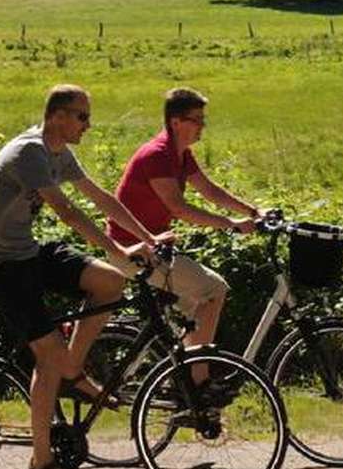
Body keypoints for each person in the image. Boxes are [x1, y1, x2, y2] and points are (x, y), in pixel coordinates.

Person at [0, 84, 161, 469]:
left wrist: (147, 238)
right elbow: (68, 211)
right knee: (49, 359)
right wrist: (117, 247)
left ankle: (71, 372)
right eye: (82, 116)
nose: (88, 125)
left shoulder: (59, 152)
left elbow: (98, 197)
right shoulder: (30, 153)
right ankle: (42, 463)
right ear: (57, 115)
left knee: (110, 281)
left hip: (26, 253)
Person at [108, 87, 259, 396]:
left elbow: (209, 190)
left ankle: (180, 378)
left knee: (194, 306)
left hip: (154, 250)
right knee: (214, 290)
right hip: (133, 252)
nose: (202, 126)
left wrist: (252, 211)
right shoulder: (158, 155)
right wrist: (231, 224)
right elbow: (179, 207)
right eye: (196, 120)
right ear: (176, 122)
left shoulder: (179, 154)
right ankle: (197, 383)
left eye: (203, 119)